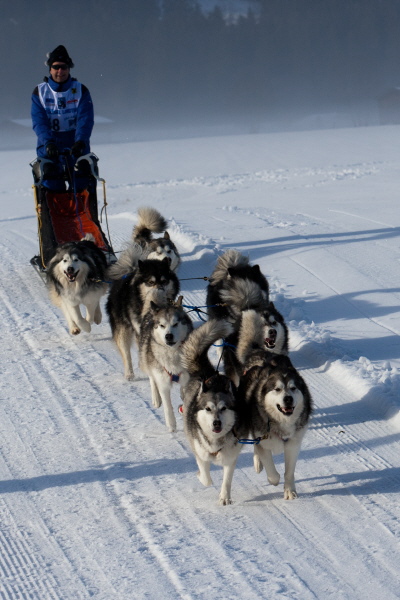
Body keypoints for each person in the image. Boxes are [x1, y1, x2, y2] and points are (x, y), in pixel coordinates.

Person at [31, 45, 94, 191]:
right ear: (50, 69)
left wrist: (81, 141)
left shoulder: (80, 90)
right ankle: (53, 213)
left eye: (64, 67)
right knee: (50, 179)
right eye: (56, 67)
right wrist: (48, 142)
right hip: (49, 143)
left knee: (82, 178)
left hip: (75, 142)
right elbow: (39, 121)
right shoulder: (39, 92)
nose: (60, 71)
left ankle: (83, 211)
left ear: (69, 68)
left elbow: (85, 120)